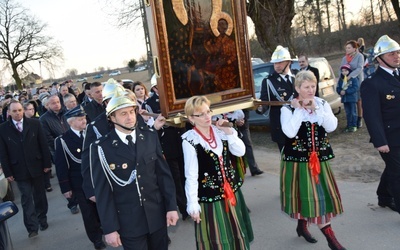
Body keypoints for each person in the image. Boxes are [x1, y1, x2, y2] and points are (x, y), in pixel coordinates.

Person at [90, 94, 179, 249]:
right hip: (128, 221)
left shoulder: (150, 136)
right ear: (112, 117)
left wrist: (171, 207)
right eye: (123, 114)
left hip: (156, 216)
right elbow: (102, 192)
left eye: (132, 112)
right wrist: (110, 228)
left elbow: (164, 177)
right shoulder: (101, 148)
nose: (130, 117)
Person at [280, 71, 345, 250]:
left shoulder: (322, 103)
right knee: (307, 196)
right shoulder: (287, 108)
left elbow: (331, 126)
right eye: (306, 87)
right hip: (298, 162)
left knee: (318, 198)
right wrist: (300, 110)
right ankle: (331, 240)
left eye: (313, 86)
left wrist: (316, 108)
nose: (311, 90)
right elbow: (290, 133)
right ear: (297, 88)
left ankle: (304, 226)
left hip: (319, 160)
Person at [182, 95, 254, 249]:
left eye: (208, 112)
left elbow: (240, 151)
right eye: (200, 114)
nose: (207, 117)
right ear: (191, 118)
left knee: (237, 235)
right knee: (219, 239)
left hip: (232, 193)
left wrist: (229, 131)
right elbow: (191, 175)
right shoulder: (190, 140)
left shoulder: (221, 132)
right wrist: (192, 203)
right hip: (210, 198)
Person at [54, 106, 105, 249]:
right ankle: (96, 239)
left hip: (98, 179)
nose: (84, 121)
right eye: (80, 119)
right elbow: (61, 166)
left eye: (84, 118)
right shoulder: (63, 141)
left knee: (102, 208)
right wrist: (65, 187)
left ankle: (106, 229)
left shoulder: (93, 134)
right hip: (79, 183)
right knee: (88, 213)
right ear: (71, 122)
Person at [0, 100, 51, 238]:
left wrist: (47, 163)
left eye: (20, 110)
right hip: (19, 170)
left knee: (39, 195)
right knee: (26, 197)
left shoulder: (34, 124)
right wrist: (8, 172)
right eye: (14, 111)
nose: (18, 113)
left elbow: (43, 144)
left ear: (23, 110)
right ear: (9, 113)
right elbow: (3, 153)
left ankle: (42, 219)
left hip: (37, 166)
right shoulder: (3, 129)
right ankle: (32, 227)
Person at [361, 35, 400, 213]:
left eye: (398, 52)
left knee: (394, 167)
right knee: (398, 171)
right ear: (379, 58)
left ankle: (384, 196)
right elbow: (371, 115)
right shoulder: (372, 83)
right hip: (389, 137)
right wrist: (380, 141)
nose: (396, 56)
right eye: (391, 54)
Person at [257, 45, 296, 151]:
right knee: (286, 158)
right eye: (275, 63)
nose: (277, 66)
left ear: (288, 62)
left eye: (280, 62)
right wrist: (260, 108)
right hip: (280, 124)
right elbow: (264, 101)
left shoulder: (298, 76)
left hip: (297, 121)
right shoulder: (268, 81)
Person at [213, 109, 264, 176]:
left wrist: (241, 121)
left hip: (236, 133)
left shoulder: (238, 112)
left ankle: (252, 169)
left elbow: (243, 113)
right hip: (221, 136)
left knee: (245, 146)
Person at [340, 40, 364, 128]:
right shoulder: (344, 58)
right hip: (347, 83)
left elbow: (359, 68)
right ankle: (351, 120)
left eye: (349, 48)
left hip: (357, 80)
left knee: (358, 100)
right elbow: (341, 69)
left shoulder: (359, 56)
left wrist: (351, 76)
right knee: (350, 100)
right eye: (346, 48)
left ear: (354, 48)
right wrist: (342, 80)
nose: (347, 49)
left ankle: (359, 118)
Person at [336, 64, 359, 132]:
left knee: (353, 112)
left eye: (345, 71)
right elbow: (338, 88)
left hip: (352, 98)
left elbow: (355, 87)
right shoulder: (341, 79)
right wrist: (340, 91)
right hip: (345, 99)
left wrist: (347, 91)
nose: (344, 72)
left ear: (349, 71)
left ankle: (354, 125)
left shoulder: (353, 78)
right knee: (348, 113)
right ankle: (349, 125)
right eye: (342, 71)